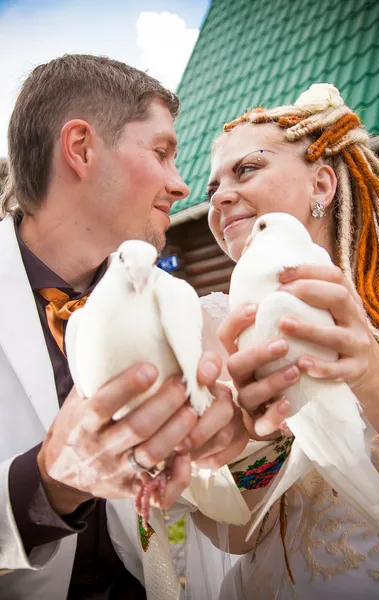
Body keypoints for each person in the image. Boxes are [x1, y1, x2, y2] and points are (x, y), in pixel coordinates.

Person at [0, 54, 249, 600]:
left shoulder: (177, 303)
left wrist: (237, 448)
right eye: (161, 152)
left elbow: (230, 524)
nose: (181, 185)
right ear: (82, 148)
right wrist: (41, 486)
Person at [184, 84, 379, 599]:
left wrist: (368, 367)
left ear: (321, 184)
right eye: (212, 186)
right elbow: (239, 536)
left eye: (247, 169)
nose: (219, 196)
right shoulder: (212, 325)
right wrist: (251, 445)